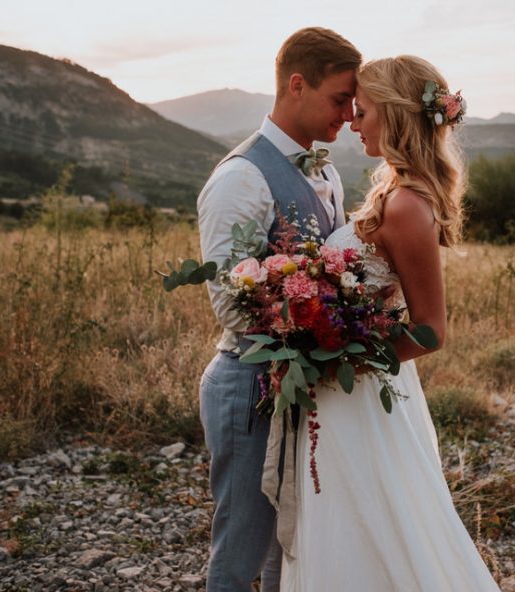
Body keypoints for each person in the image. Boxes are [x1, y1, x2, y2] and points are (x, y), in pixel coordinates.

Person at [277, 56, 502, 591]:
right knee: (351, 520)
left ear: (397, 117)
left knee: (371, 524)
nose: (354, 122)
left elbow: (430, 330)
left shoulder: (406, 205)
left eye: (365, 111)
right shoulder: (394, 192)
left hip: (358, 391)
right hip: (345, 389)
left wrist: (338, 362)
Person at [196, 27, 361, 592]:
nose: (349, 114)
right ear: (297, 84)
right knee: (240, 551)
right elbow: (230, 302)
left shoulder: (328, 170)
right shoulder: (240, 177)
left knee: (288, 548)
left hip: (298, 384)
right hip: (247, 383)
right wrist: (314, 313)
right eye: (341, 98)